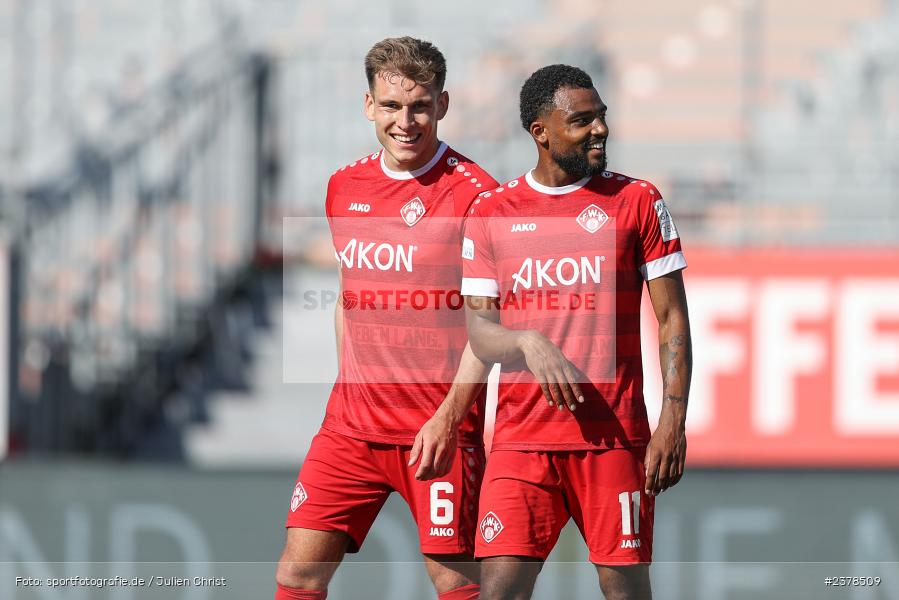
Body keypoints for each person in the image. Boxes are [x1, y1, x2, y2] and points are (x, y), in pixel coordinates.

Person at [274, 37, 498, 600]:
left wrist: (449, 421)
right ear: (369, 105)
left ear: (442, 105)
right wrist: (347, 386)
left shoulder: (477, 196)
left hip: (437, 433)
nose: (406, 121)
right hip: (350, 429)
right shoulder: (343, 187)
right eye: (392, 106)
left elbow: (487, 330)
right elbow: (348, 295)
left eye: (420, 106)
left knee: (459, 586)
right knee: (297, 575)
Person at [461, 64, 692, 600]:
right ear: (540, 131)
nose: (600, 130)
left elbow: (672, 318)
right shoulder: (492, 211)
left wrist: (672, 421)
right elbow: (480, 332)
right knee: (497, 592)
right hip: (522, 442)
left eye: (602, 118)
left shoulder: (638, 201)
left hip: (613, 439)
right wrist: (526, 341)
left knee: (625, 592)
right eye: (581, 121)